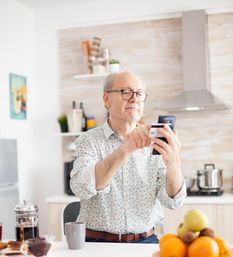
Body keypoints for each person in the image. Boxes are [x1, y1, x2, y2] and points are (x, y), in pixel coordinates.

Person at [70, 71, 186, 243]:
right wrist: (126, 148)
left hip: (146, 241)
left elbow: (173, 202)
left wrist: (172, 164)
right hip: (97, 244)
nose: (134, 98)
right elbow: (81, 187)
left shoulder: (156, 141)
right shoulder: (88, 140)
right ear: (106, 99)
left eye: (139, 93)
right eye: (125, 91)